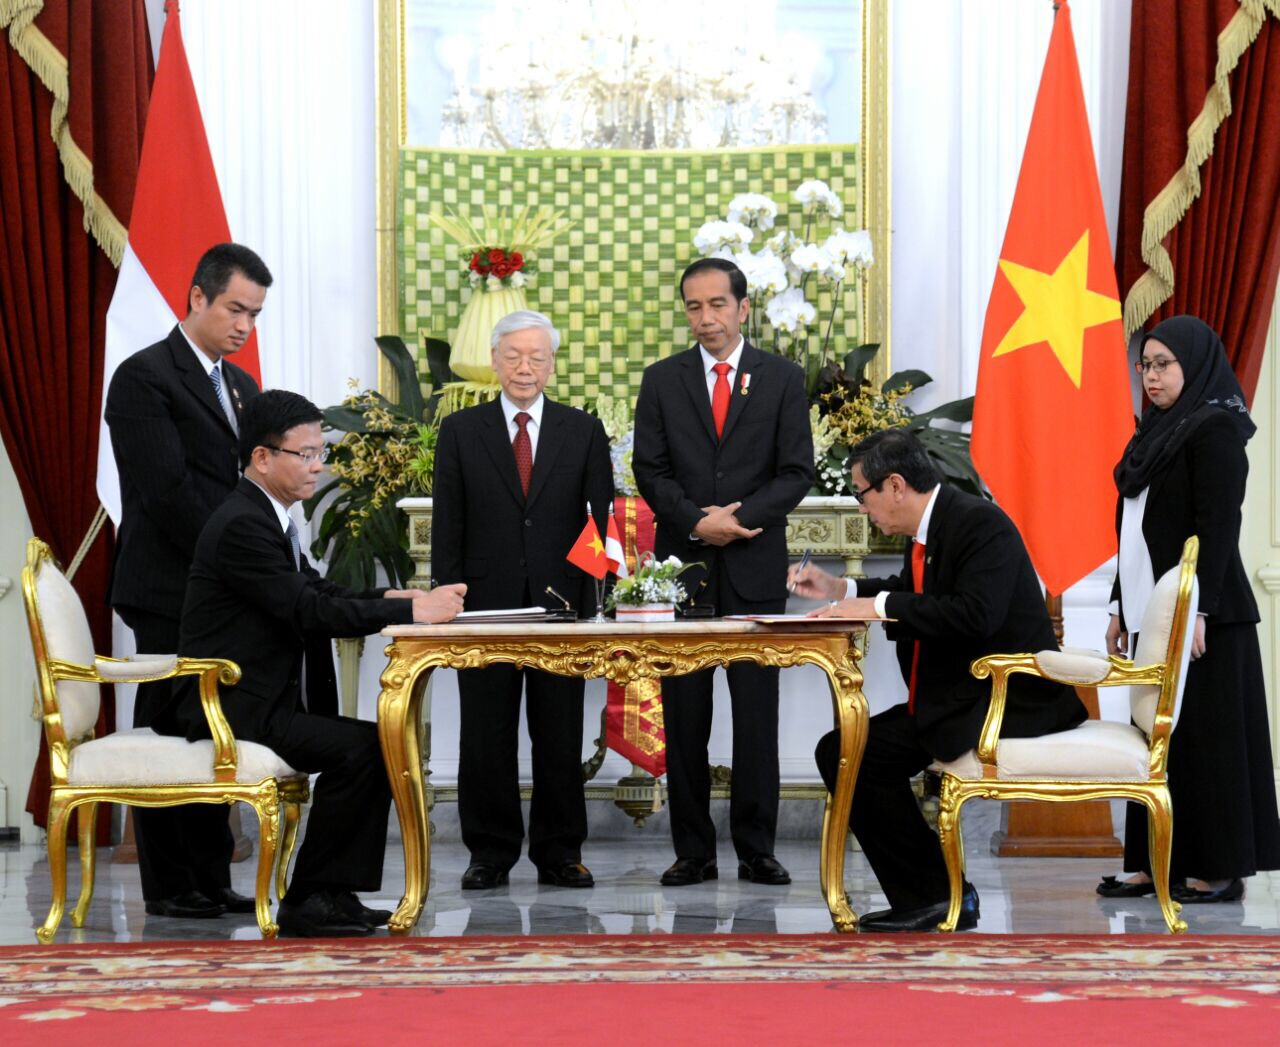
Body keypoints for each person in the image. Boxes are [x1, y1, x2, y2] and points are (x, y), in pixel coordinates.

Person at [153, 390, 466, 937]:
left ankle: (330, 893)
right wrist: (416, 607)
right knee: (366, 748)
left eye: (322, 452)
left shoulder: (266, 515)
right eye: (306, 454)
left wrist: (394, 600)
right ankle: (313, 898)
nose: (318, 465)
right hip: (228, 705)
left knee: (373, 744)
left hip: (257, 697)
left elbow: (314, 588)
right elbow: (307, 608)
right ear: (262, 457)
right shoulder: (243, 526)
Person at [789, 428, 1085, 931]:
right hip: (963, 695)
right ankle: (938, 895)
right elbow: (915, 591)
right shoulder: (937, 524)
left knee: (854, 751)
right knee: (845, 749)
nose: (862, 508)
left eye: (863, 494)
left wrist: (878, 605)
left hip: (1008, 700)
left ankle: (936, 896)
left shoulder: (979, 524)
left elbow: (974, 615)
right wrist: (844, 587)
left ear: (896, 485)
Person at [633, 258, 814, 887]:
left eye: (716, 305)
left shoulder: (783, 378)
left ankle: (757, 847)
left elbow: (796, 470)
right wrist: (694, 522)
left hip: (755, 566)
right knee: (685, 716)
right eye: (693, 307)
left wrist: (738, 522)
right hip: (685, 570)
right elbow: (649, 471)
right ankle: (692, 851)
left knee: (756, 715)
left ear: (742, 308)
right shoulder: (662, 381)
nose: (705, 318)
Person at [105, 242, 271, 920]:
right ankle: (170, 885)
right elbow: (168, 492)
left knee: (212, 733)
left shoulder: (240, 387)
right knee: (170, 731)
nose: (244, 326)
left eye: (255, 315)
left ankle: (211, 875)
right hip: (168, 586)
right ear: (197, 296)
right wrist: (240, 556)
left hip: (218, 590)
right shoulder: (144, 377)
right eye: (235, 308)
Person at [1097, 315, 1280, 904]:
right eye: (1145, 365)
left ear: (1194, 364)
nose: (1151, 376)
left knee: (1207, 742)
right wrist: (1120, 605)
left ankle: (1217, 869)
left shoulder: (1215, 430)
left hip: (1208, 617)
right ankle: (1154, 864)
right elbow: (1132, 526)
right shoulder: (1152, 433)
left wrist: (1200, 610)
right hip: (1152, 607)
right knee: (1157, 735)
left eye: (1164, 365)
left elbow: (1217, 526)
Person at [432, 310, 613, 890]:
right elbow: (448, 525)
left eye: (537, 357)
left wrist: (592, 604)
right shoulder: (462, 431)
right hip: (482, 605)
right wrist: (448, 597)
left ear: (552, 364)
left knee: (558, 734)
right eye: (514, 356)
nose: (525, 368)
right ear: (495, 361)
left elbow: (601, 522)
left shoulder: (581, 430)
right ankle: (488, 853)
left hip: (560, 605)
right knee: (485, 735)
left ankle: (560, 852)